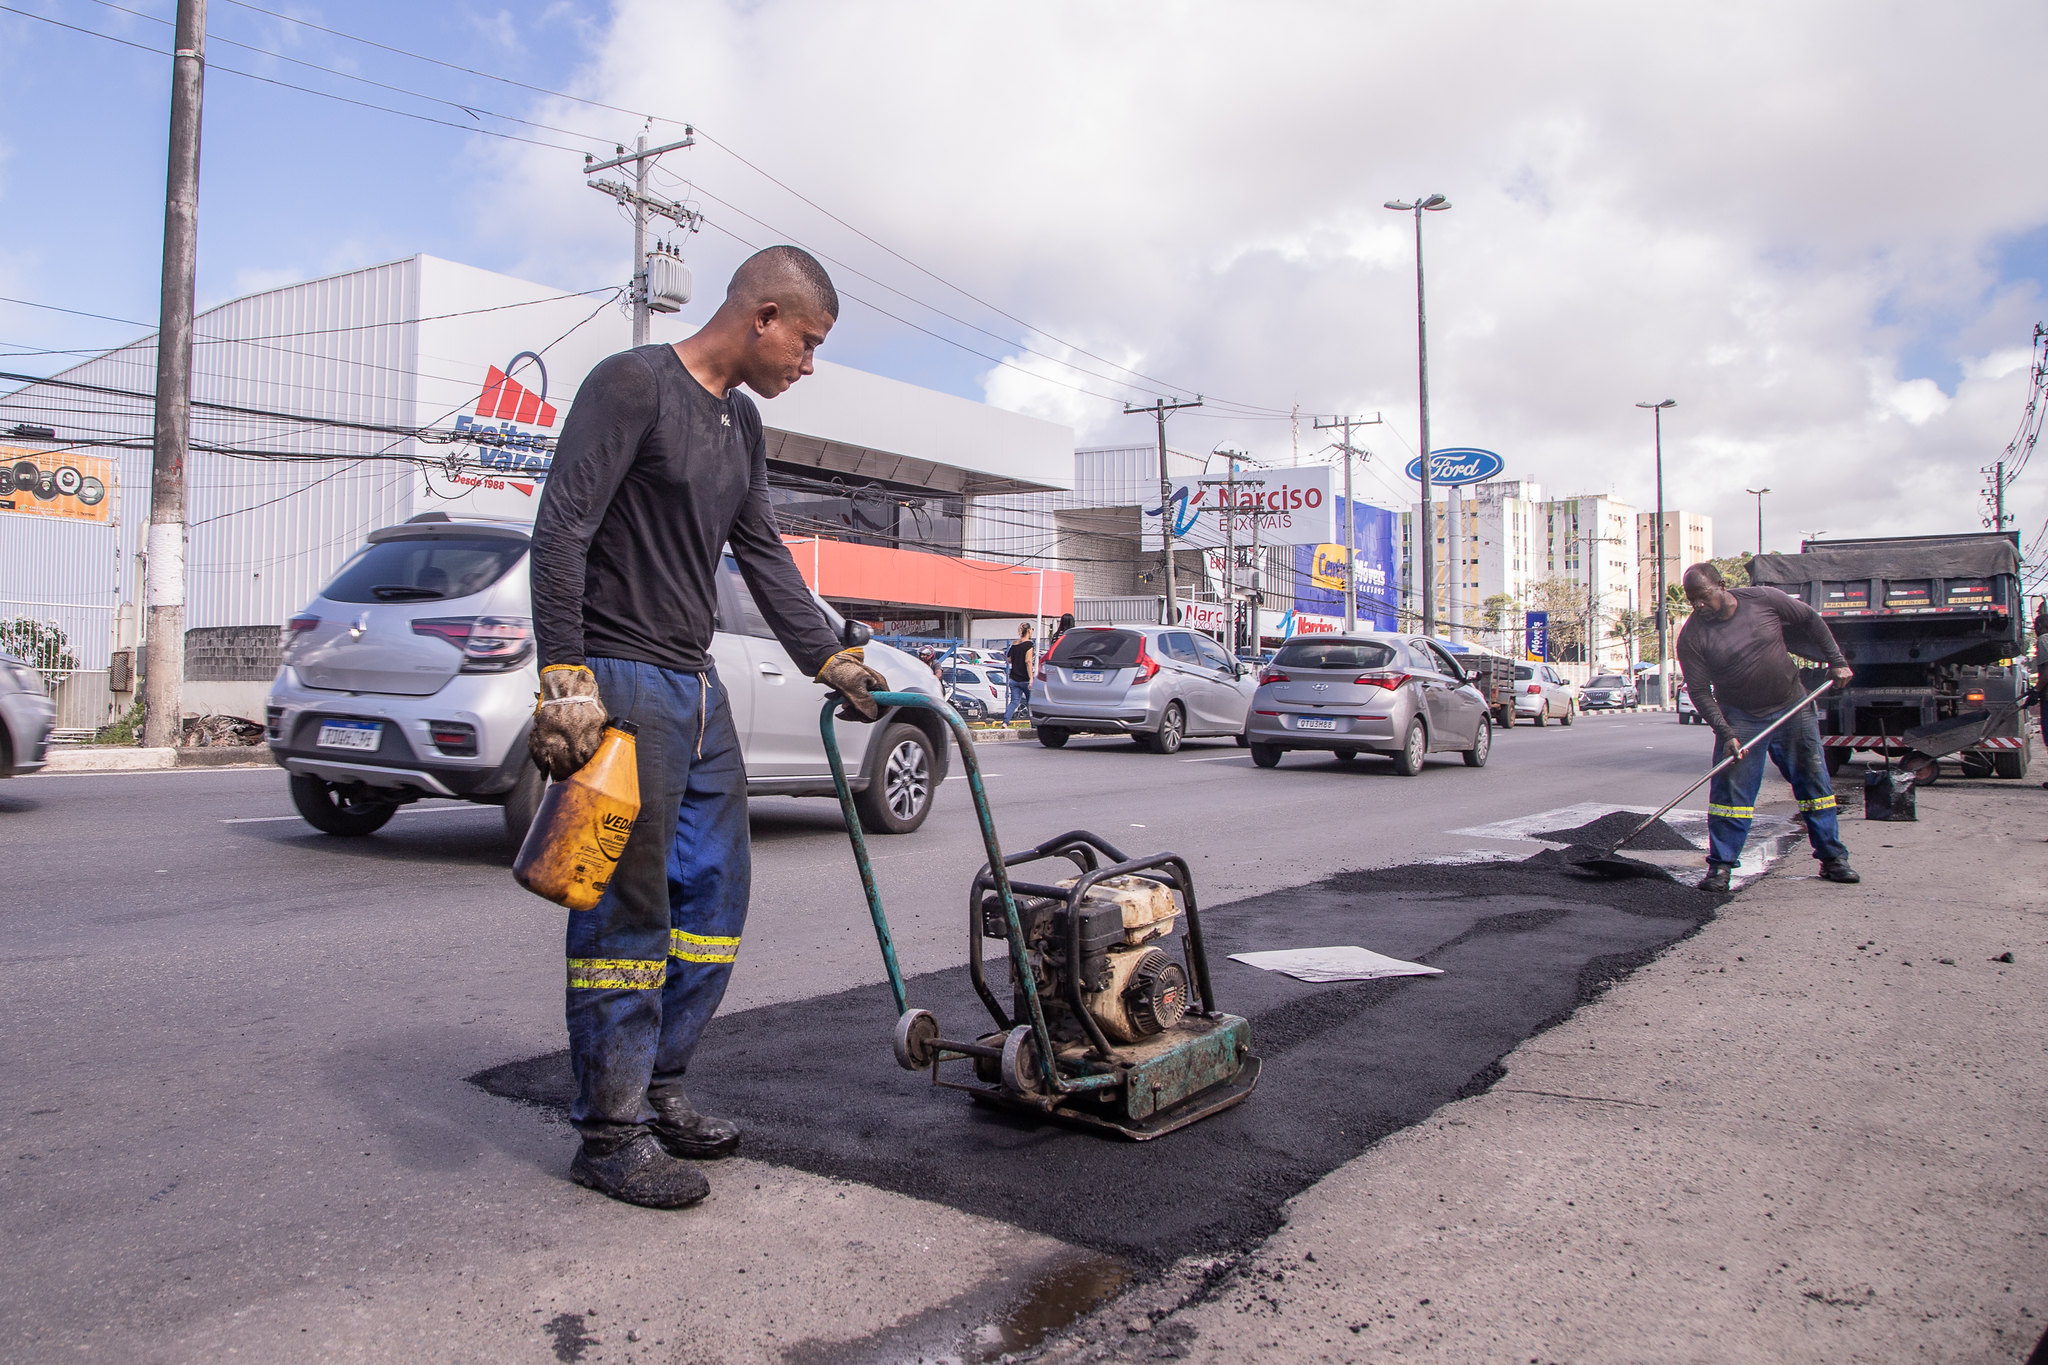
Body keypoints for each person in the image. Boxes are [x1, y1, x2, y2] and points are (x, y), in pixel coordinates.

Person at [527, 246, 887, 1210]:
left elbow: (762, 552)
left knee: (716, 900)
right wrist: (562, 675)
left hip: (693, 686)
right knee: (624, 911)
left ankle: (659, 1087)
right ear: (763, 315)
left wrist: (828, 656)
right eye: (807, 343)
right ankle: (608, 1133)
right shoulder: (632, 383)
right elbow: (561, 527)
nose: (807, 363)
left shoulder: (743, 424)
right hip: (619, 681)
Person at [1676, 561, 1859, 893]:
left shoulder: (1764, 600)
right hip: (1741, 717)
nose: (1698, 605)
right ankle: (1720, 867)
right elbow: (1700, 692)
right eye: (1692, 600)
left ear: (1721, 585)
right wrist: (1726, 731)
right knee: (1730, 794)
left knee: (1814, 783)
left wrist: (1838, 661)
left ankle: (1833, 859)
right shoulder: (1692, 636)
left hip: (1793, 707)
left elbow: (1810, 619)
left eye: (1703, 596)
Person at [1005, 623, 1034, 724]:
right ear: (1029, 631)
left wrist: (1017, 660)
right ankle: (1034, 724)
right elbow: (1028, 661)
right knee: (1031, 702)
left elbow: (1009, 659)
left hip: (1014, 678)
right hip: (1025, 679)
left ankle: (1005, 722)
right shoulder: (1029, 645)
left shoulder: (1014, 644)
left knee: (1013, 702)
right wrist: (1031, 678)